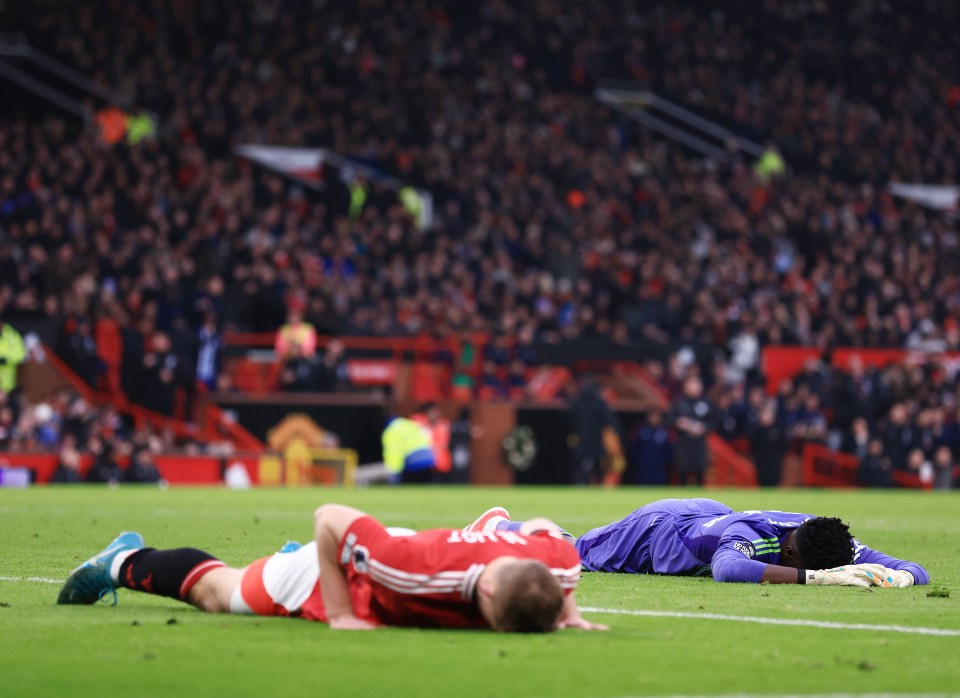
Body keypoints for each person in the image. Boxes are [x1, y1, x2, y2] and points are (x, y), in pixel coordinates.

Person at [57, 504, 604, 633]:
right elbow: (330, 516)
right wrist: (341, 614)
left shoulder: (556, 562)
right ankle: (122, 561)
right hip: (348, 576)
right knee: (221, 596)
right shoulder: (406, 567)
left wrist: (569, 613)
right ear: (482, 591)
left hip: (414, 565)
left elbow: (545, 528)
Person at [484, 498, 929, 587]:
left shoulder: (825, 535)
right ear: (792, 552)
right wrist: (811, 580)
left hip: (706, 513)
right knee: (574, 555)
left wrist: (897, 577)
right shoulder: (751, 539)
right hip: (658, 530)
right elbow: (727, 570)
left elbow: (918, 570)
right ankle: (501, 526)